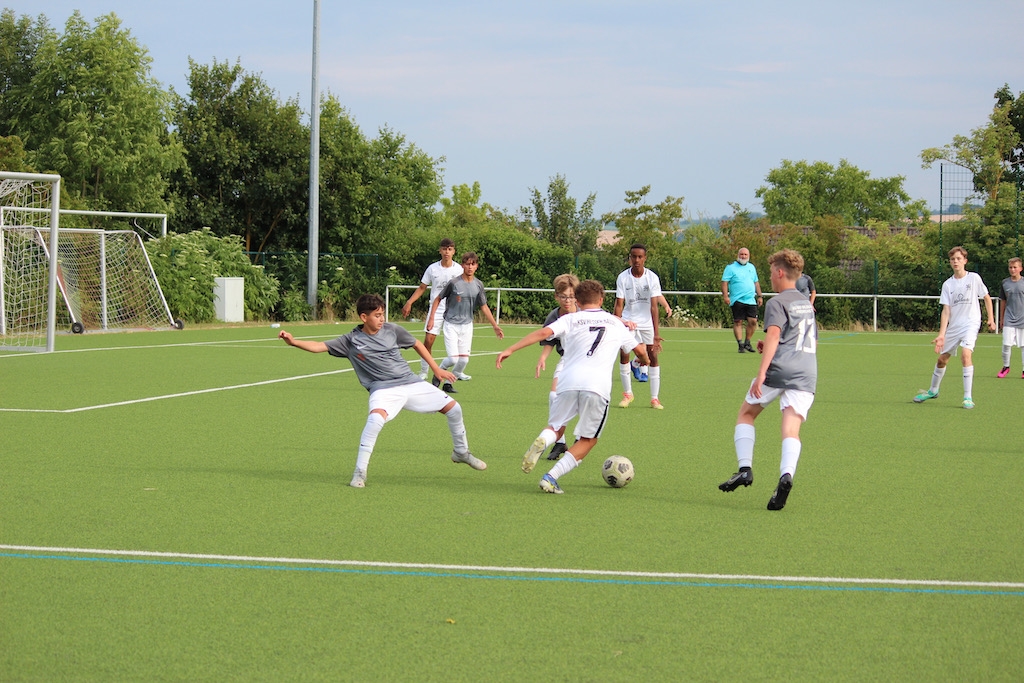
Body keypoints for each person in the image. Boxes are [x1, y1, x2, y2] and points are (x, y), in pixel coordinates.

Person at [278, 293, 486, 488]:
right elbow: (318, 346)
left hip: (411, 382)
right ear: (364, 317)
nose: (382, 319)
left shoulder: (392, 330)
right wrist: (293, 341)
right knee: (375, 420)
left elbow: (417, 344)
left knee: (454, 408)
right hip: (383, 389)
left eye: (382, 314)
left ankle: (461, 452)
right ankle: (360, 472)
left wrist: (436, 369)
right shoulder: (350, 341)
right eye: (377, 315)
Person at [496, 279, 650, 494]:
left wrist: (510, 349)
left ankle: (544, 440)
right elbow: (639, 351)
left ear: (577, 300)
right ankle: (551, 477)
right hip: (596, 387)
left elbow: (543, 333)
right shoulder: (615, 323)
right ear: (601, 299)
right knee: (588, 439)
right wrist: (644, 360)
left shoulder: (570, 319)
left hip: (567, 382)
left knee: (556, 426)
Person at [718, 249, 817, 511]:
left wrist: (762, 373)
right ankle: (786, 475)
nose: (770, 277)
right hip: (807, 372)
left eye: (772, 272)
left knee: (746, 414)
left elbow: (774, 335)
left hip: (780, 370)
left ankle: (745, 469)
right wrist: (773, 345)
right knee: (791, 429)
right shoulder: (807, 304)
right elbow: (803, 339)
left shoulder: (777, 302)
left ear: (780, 272)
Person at [913, 246, 996, 409]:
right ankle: (933, 391)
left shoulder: (974, 278)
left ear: (965, 261)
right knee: (942, 360)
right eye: (952, 259)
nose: (955, 261)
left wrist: (991, 319)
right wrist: (941, 334)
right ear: (950, 262)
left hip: (971, 323)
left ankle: (967, 397)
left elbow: (986, 298)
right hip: (954, 326)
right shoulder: (948, 284)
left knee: (965, 355)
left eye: (958, 258)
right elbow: (946, 311)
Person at [426, 251, 504, 393]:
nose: (470, 267)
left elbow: (484, 306)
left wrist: (495, 326)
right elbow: (438, 299)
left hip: (467, 325)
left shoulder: (478, 285)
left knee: (463, 361)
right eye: (467, 264)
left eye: (473, 264)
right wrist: (432, 318)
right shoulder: (454, 283)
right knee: (453, 359)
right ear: (462, 265)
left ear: (476, 266)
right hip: (451, 324)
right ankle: (439, 371)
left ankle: (448, 384)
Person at [400, 238, 464, 380]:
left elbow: (463, 288)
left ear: (453, 251)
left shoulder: (459, 269)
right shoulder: (432, 268)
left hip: (454, 309)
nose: (447, 252)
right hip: (437, 309)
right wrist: (409, 302)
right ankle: (424, 370)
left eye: (450, 249)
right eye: (444, 249)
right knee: (428, 340)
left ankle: (458, 371)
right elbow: (422, 287)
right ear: (440, 250)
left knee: (459, 342)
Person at [613, 243, 666, 409]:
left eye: (640, 257)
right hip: (628, 321)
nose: (636, 260)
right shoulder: (623, 277)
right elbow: (619, 304)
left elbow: (654, 307)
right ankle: (628, 394)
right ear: (630, 258)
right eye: (633, 257)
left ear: (645, 258)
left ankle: (654, 398)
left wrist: (656, 334)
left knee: (653, 356)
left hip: (647, 323)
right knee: (624, 354)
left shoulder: (652, 278)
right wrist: (617, 324)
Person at [535, 273, 579, 460]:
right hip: (567, 361)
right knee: (554, 396)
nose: (567, 300)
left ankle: (582, 437)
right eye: (563, 297)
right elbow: (549, 339)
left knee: (585, 401)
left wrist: (624, 322)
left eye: (571, 296)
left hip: (588, 363)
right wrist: (543, 358)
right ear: (556, 296)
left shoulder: (585, 311)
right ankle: (560, 442)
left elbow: (607, 319)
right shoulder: (555, 316)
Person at [721, 247, 764, 353]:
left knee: (753, 321)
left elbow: (756, 282)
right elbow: (724, 282)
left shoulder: (751, 267)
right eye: (741, 254)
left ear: (748, 256)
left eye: (745, 254)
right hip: (737, 299)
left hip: (750, 300)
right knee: (738, 321)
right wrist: (726, 296)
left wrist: (760, 296)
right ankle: (740, 344)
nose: (743, 256)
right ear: (738, 255)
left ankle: (747, 342)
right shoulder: (730, 268)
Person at [997, 256, 1024, 378]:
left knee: (1023, 346)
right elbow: (1003, 301)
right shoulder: (1005, 283)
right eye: (1010, 267)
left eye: (1015, 267)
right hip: (1009, 318)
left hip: (1022, 319)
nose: (1012, 269)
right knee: (1006, 344)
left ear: (1020, 268)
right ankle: (1006, 367)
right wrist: (1002, 318)